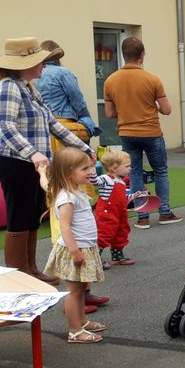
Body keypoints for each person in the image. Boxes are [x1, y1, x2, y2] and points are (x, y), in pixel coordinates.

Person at [0, 37, 95, 286]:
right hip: (13, 160)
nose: (44, 67)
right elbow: (4, 125)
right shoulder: (8, 86)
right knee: (19, 214)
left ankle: (30, 268)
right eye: (40, 62)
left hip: (33, 162)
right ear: (24, 64)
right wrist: (32, 153)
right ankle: (19, 275)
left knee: (33, 213)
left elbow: (53, 124)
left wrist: (83, 147)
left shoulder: (28, 87)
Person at [103, 37, 182, 229]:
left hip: (127, 133)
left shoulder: (110, 80)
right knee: (161, 171)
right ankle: (164, 212)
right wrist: (152, 105)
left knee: (135, 172)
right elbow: (167, 110)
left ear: (123, 55)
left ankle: (142, 216)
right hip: (151, 132)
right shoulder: (152, 79)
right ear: (142, 55)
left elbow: (110, 113)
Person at [43, 147, 107, 343]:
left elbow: (45, 183)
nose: (91, 171)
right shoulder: (67, 198)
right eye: (84, 168)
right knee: (74, 291)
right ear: (68, 172)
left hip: (84, 248)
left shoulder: (76, 192)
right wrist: (75, 251)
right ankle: (75, 330)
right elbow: (65, 226)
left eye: (90, 166)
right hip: (75, 250)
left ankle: (81, 321)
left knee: (80, 289)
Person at [35, 40, 100, 167]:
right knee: (71, 168)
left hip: (42, 128)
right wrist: (86, 119)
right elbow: (77, 100)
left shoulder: (33, 74)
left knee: (51, 170)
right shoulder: (62, 72)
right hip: (64, 126)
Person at [93, 150, 135, 268]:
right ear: (114, 168)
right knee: (104, 233)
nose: (130, 168)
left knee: (121, 231)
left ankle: (117, 256)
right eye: (127, 166)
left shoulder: (121, 182)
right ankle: (95, 259)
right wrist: (91, 168)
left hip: (120, 213)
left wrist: (131, 197)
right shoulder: (106, 179)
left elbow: (122, 198)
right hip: (107, 214)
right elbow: (95, 181)